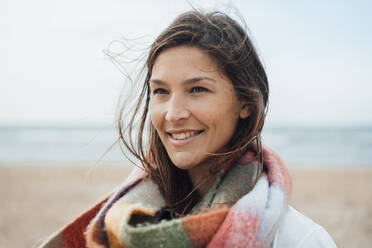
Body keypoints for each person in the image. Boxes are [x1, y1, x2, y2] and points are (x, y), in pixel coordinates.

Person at [39, 10, 337, 248]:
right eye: (160, 91)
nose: (173, 113)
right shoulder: (122, 221)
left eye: (197, 89)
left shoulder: (297, 239)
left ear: (245, 102)